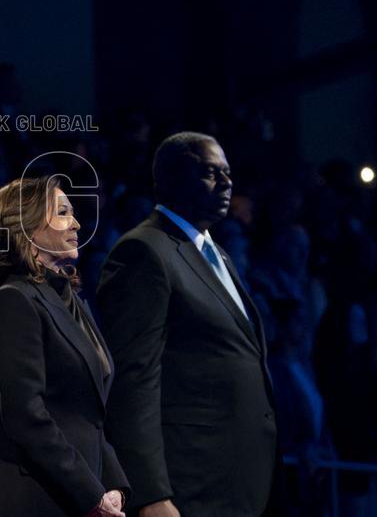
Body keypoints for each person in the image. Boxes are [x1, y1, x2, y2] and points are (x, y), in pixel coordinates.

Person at [96, 132, 277, 517]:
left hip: (234, 481)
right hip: (188, 483)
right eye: (212, 173)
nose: (227, 183)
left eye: (228, 173)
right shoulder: (144, 250)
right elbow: (133, 376)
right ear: (173, 177)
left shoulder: (219, 255)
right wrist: (150, 492)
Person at [0, 175, 129, 517]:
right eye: (62, 213)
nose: (76, 223)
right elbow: (26, 415)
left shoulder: (70, 298)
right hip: (34, 493)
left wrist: (112, 481)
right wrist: (90, 492)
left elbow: (88, 414)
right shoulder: (14, 299)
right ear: (26, 228)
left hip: (80, 489)